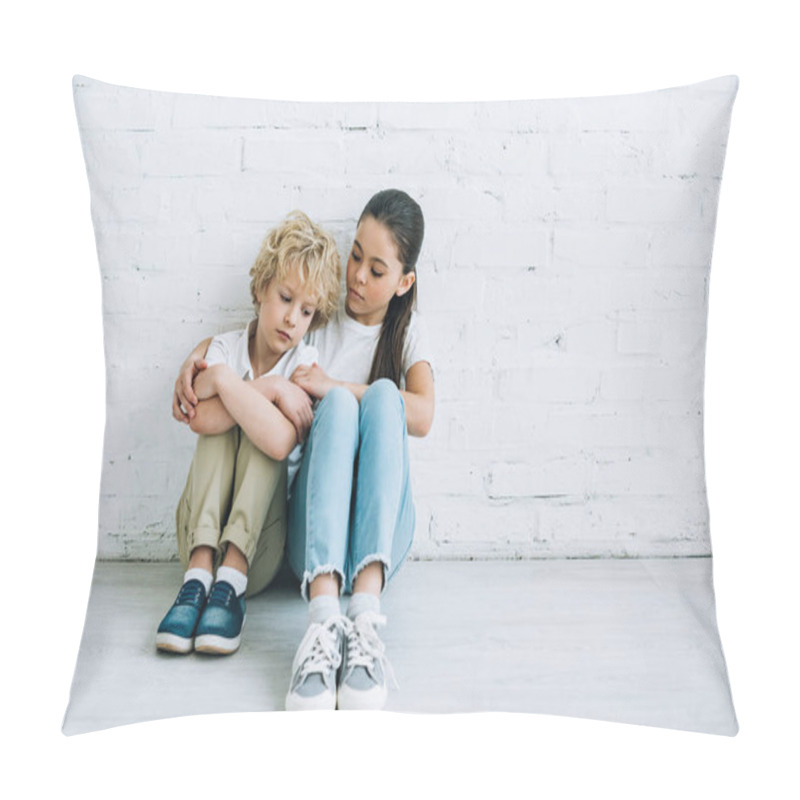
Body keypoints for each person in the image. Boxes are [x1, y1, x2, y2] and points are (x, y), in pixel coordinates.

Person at [174, 190, 435, 710]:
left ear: (405, 282)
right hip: (314, 536)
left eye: (377, 270)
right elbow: (249, 352)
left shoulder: (406, 334)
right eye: (355, 256)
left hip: (381, 534)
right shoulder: (317, 317)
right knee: (335, 411)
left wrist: (336, 384)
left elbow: (423, 415)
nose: (358, 276)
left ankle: (363, 622)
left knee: (381, 397)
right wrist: (198, 358)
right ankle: (321, 625)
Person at [157, 211, 341, 656]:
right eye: (284, 297)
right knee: (229, 417)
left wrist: (236, 383)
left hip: (257, 552)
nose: (292, 318)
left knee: (259, 425)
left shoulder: (303, 364)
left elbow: (279, 442)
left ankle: (229, 585)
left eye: (306, 310)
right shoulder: (225, 348)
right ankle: (198, 578)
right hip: (197, 539)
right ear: (261, 288)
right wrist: (252, 385)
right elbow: (198, 417)